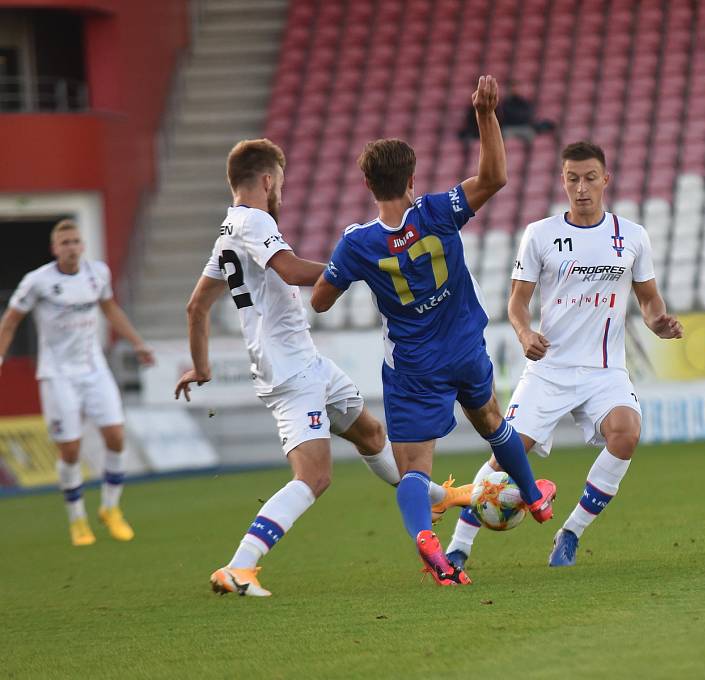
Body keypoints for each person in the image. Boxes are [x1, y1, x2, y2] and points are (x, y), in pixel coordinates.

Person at [174, 138, 462, 598]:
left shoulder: (227, 231)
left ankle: (439, 496)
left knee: (370, 435)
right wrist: (360, 265)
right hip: (290, 372)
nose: (282, 191)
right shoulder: (255, 221)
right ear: (268, 180)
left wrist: (202, 367)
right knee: (314, 476)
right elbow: (289, 270)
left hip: (308, 363)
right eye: (281, 182)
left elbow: (196, 307)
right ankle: (239, 566)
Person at [310, 76, 556, 586]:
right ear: (411, 179)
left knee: (414, 468)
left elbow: (320, 300)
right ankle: (533, 498)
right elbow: (494, 177)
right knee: (491, 419)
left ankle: (428, 542)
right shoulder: (436, 212)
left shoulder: (356, 244)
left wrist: (349, 267)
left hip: (414, 364)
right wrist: (486, 114)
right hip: (464, 345)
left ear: (368, 186)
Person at [443, 141, 683, 569]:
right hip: (549, 369)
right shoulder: (540, 233)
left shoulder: (631, 236)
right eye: (573, 178)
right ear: (563, 181)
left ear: (605, 179)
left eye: (590, 178)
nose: (582, 187)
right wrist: (522, 332)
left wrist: (658, 322)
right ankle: (458, 546)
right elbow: (517, 303)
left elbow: (649, 302)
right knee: (504, 459)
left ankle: (570, 531)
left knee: (626, 433)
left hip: (604, 369)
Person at [0, 220, 154, 546]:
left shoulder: (97, 273)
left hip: (94, 368)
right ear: (55, 249)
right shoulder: (37, 282)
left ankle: (110, 509)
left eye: (75, 241)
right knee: (70, 450)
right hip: (58, 375)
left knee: (116, 436)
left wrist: (137, 342)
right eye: (65, 242)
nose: (71, 246)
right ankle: (78, 520)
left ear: (82, 245)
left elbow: (110, 309)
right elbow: (11, 321)